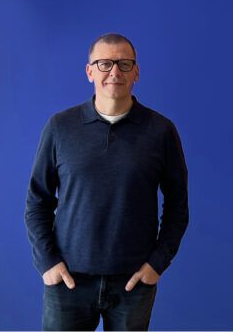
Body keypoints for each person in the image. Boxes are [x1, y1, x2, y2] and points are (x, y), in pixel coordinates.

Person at [24, 33, 189, 331]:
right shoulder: (60, 127)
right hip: (68, 283)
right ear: (89, 71)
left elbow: (178, 206)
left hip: (133, 284)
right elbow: (37, 201)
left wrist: (156, 265)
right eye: (104, 63)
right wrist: (47, 262)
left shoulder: (161, 131)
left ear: (136, 72)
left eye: (124, 64)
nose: (115, 72)